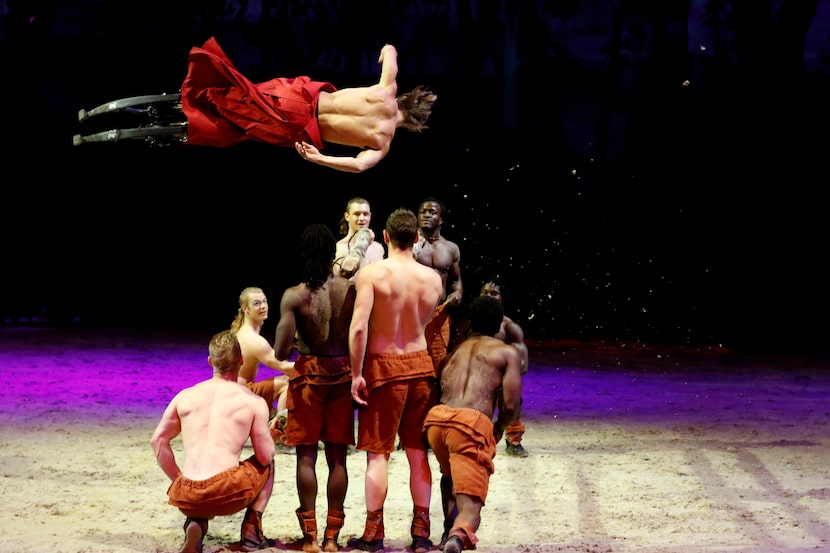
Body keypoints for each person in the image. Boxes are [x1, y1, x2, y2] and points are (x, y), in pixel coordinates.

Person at [182, 37, 437, 173]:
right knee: (240, 126)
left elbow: (390, 50)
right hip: (297, 128)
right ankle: (189, 124)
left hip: (298, 98)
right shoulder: (383, 143)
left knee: (239, 94)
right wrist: (321, 159)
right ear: (412, 126)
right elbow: (359, 165)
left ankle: (196, 93)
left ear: (406, 98)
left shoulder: (386, 90)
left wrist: (385, 52)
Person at [347, 208, 443, 553]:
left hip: (384, 368)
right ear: (416, 238)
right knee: (418, 454)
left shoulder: (372, 274)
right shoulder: (434, 279)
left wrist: (357, 374)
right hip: (420, 366)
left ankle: (374, 533)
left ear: (385, 237)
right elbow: (427, 322)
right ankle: (421, 533)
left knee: (378, 455)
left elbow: (359, 328)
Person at [150, 330, 276, 553]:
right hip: (226, 492)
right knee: (269, 462)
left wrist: (179, 480)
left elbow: (158, 441)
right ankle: (251, 530)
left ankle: (195, 523)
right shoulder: (253, 402)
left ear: (210, 362)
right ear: (241, 360)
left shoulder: (184, 396)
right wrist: (271, 435)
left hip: (186, 494)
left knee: (199, 495)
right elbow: (265, 456)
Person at [273, 223, 357, 553]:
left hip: (309, 376)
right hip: (342, 372)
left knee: (306, 457)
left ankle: (310, 538)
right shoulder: (350, 290)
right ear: (332, 254)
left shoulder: (295, 295)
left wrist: (299, 341)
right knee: (338, 459)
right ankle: (332, 537)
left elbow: (280, 352)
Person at [424, 295, 523, 553]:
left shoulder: (453, 353)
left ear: (469, 322)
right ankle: (458, 535)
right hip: (469, 424)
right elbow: (512, 405)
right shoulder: (505, 352)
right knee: (471, 505)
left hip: (437, 420)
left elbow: (436, 392)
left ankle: (448, 528)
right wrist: (498, 428)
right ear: (498, 325)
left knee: (449, 475)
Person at [229, 286, 294, 445]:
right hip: (240, 394)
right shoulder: (252, 339)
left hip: (237, 392)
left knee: (270, 412)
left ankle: (275, 425)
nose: (263, 306)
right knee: (288, 382)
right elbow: (284, 367)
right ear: (246, 309)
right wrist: (314, 365)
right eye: (257, 303)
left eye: (264, 301)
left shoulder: (245, 333)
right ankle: (282, 433)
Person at [479, 277, 531, 458]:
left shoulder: (509, 327)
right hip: (475, 376)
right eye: (485, 293)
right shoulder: (469, 323)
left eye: (494, 293)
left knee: (513, 396)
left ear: (502, 298)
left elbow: (522, 365)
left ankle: (514, 441)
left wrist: (503, 378)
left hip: (498, 378)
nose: (489, 296)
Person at [413, 197, 463, 377]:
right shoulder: (407, 244)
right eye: (423, 212)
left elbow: (455, 281)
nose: (426, 215)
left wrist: (457, 293)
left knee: (437, 367)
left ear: (441, 219)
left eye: (432, 212)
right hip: (412, 315)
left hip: (440, 314)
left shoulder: (451, 248)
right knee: (412, 366)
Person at [333, 197, 385, 280]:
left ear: (370, 216)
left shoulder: (378, 248)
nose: (362, 218)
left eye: (365, 214)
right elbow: (336, 284)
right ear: (347, 216)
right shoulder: (338, 248)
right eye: (357, 214)